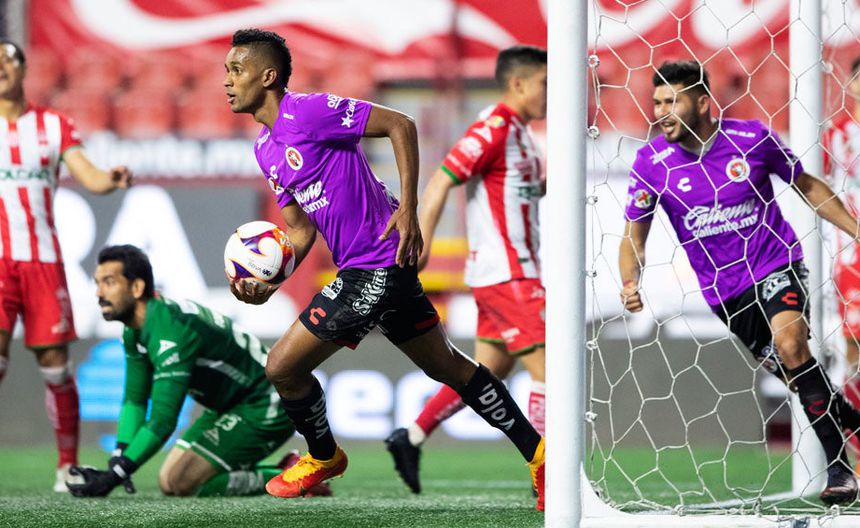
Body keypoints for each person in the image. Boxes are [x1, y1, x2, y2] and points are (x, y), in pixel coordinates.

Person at [223, 28, 546, 510]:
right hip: (370, 267)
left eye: (236, 69)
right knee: (449, 366)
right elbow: (300, 231)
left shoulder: (308, 111)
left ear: (268, 76)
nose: (227, 80)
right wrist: (270, 281)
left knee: (282, 367)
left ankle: (324, 456)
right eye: (226, 71)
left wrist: (408, 209)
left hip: (376, 262)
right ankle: (541, 455)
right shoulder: (265, 149)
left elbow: (401, 124)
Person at [620, 60, 860, 505]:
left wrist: (856, 230)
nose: (661, 112)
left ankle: (840, 468)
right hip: (725, 292)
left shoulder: (752, 139)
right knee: (798, 377)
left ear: (702, 102)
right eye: (656, 103)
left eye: (672, 101)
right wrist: (629, 281)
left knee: (792, 345)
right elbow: (634, 235)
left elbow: (807, 185)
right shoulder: (651, 163)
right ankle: (854, 421)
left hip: (775, 263)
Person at [385, 45, 547, 495]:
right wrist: (421, 240)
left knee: (485, 374)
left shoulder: (521, 135)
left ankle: (411, 436)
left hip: (505, 273)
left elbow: (520, 190)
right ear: (518, 83)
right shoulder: (493, 128)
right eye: (545, 84)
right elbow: (442, 179)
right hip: (509, 274)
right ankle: (547, 473)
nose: (550, 93)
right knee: (551, 372)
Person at [66, 245, 331, 498]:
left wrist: (115, 475)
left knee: (183, 482)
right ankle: (283, 468)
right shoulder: (137, 329)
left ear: (137, 287)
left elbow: (162, 421)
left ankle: (292, 477)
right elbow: (134, 399)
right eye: (97, 282)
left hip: (264, 403)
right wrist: (119, 457)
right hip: (228, 406)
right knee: (169, 481)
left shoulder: (170, 333)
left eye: (109, 282)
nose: (99, 292)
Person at [0, 40, 132, 492]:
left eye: (8, 59)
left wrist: (109, 179)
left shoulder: (52, 125)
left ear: (24, 70)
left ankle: (66, 466)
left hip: (42, 261)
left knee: (55, 365)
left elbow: (88, 174)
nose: (1, 66)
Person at [823, 55, 860, 463]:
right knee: (854, 352)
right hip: (852, 260)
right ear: (849, 84)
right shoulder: (835, 135)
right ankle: (857, 448)